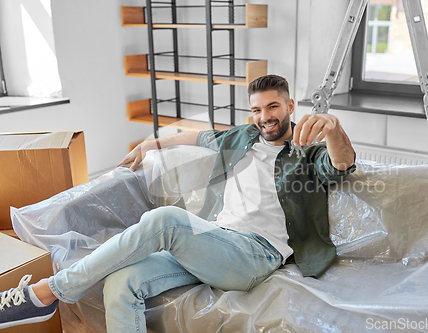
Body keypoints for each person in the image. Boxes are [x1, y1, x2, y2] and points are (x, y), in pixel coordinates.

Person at [0, 75, 356, 332]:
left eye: (273, 106)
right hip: (214, 241)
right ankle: (47, 295)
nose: (265, 116)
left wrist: (333, 127)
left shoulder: (309, 153)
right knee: (121, 283)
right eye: (257, 109)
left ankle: (47, 292)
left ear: (290, 105)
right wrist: (150, 144)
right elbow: (195, 135)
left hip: (254, 255)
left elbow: (341, 164)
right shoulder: (242, 136)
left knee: (167, 220)